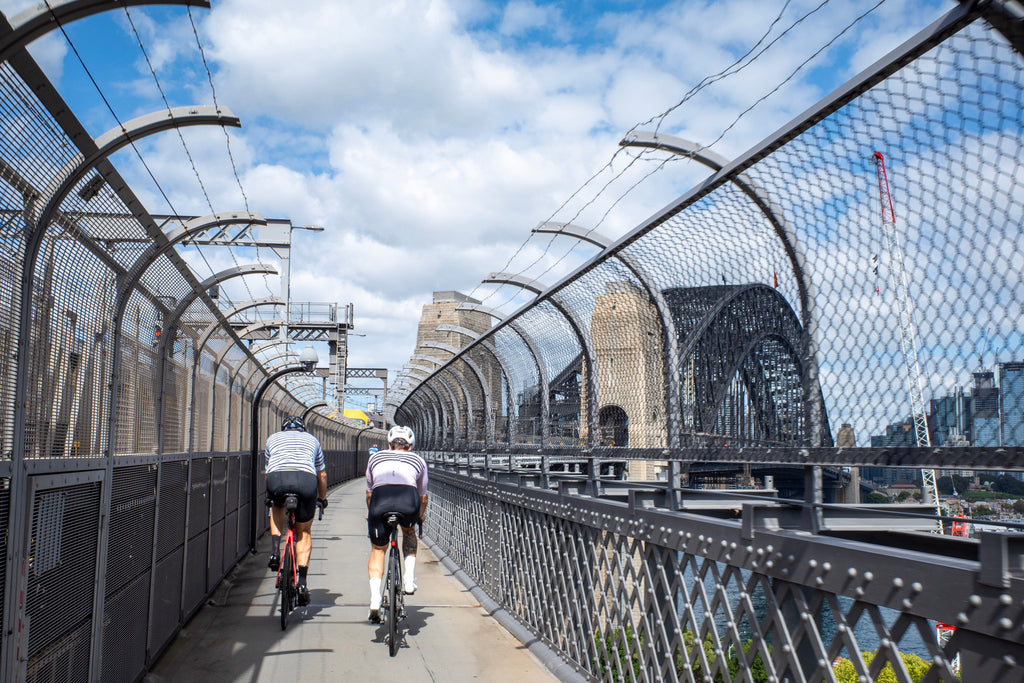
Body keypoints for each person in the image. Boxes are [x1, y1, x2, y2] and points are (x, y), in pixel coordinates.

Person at [365, 425, 427, 622]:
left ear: (389, 445)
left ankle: (375, 599)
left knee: (378, 549)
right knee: (409, 532)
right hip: (408, 500)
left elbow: (369, 491)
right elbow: (422, 496)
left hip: (380, 500)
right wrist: (420, 516)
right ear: (410, 446)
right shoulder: (418, 460)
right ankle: (409, 580)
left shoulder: (375, 458)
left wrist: (371, 512)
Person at [265, 415, 327, 606]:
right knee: (303, 531)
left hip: (277, 479)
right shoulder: (313, 440)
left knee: (276, 505)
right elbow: (321, 474)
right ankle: (302, 583)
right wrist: (322, 499)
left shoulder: (272, 439)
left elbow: (268, 470)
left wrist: (270, 494)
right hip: (305, 481)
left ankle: (275, 552)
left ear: (284, 428)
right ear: (303, 428)